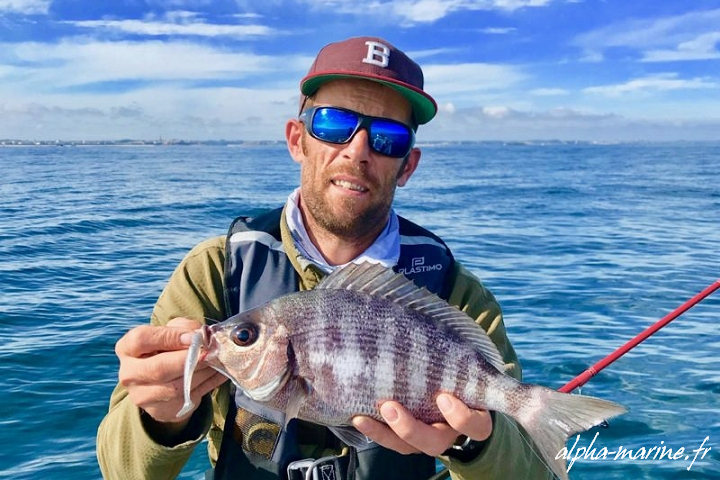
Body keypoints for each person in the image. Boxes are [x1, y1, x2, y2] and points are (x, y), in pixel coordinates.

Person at [96, 36, 553, 480]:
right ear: (298, 140)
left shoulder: (456, 293)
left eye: (388, 138)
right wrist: (161, 417)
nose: (357, 151)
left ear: (408, 165)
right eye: (334, 124)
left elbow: (535, 472)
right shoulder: (216, 271)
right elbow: (122, 471)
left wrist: (475, 444)